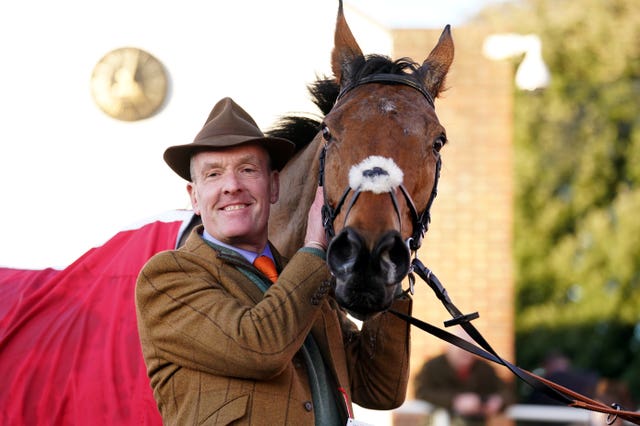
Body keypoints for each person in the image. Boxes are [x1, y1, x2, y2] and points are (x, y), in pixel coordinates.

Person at [135, 97, 413, 425]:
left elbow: (380, 389)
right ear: (194, 197)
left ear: (274, 186)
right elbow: (259, 350)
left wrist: (389, 265)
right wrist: (313, 248)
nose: (232, 186)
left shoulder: (306, 280)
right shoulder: (168, 276)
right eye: (213, 175)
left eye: (248, 170)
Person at [413, 328, 512, 426]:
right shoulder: (432, 367)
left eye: (470, 351)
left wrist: (499, 401)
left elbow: (507, 391)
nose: (467, 355)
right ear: (449, 349)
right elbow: (421, 391)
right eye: (461, 351)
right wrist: (454, 401)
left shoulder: (484, 369)